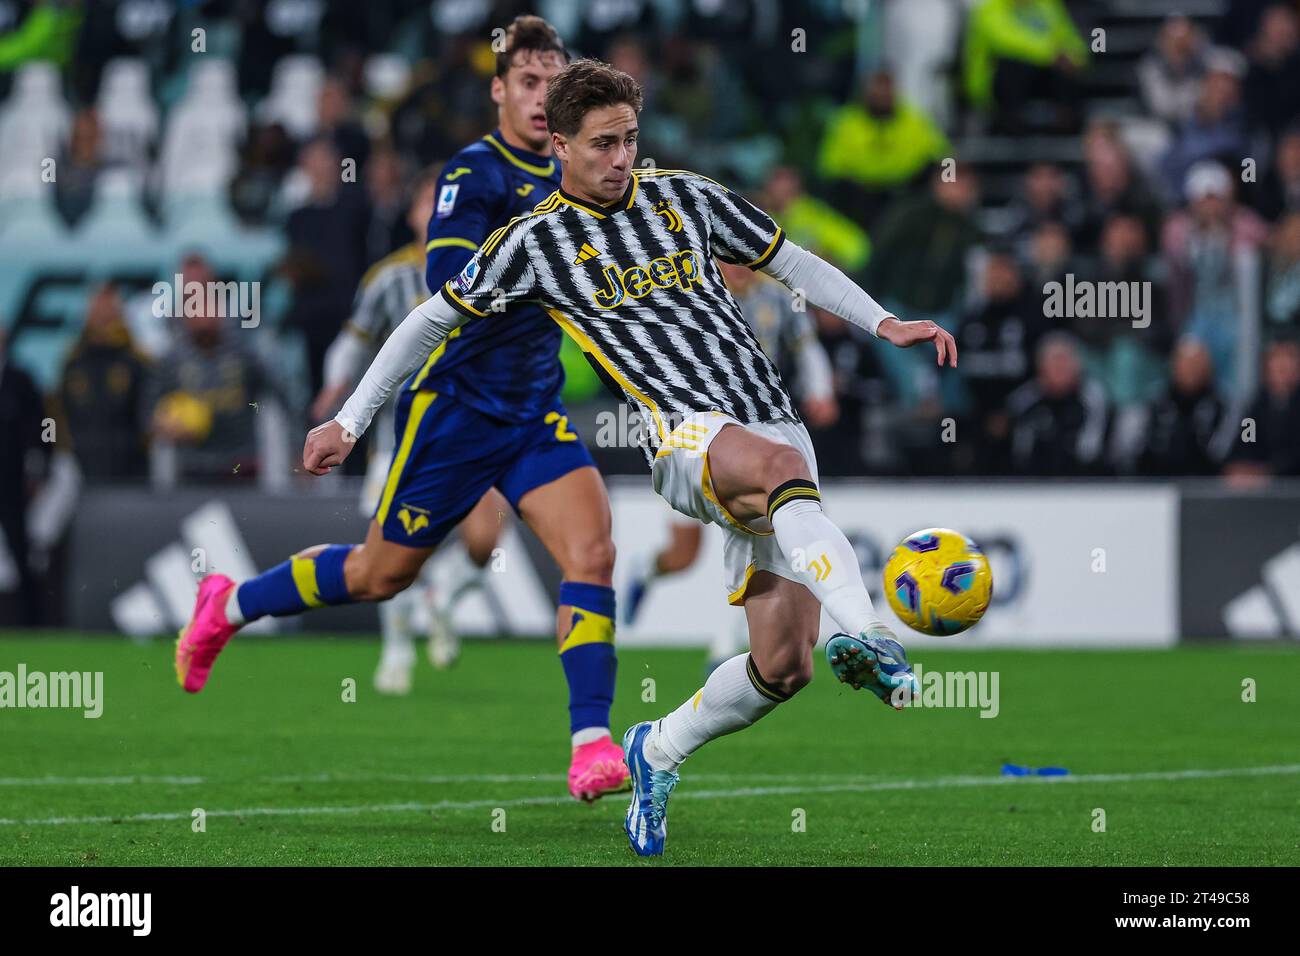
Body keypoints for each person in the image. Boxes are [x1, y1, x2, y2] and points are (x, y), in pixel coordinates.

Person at [299, 59, 957, 856]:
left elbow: (790, 261)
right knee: (782, 484)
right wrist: (349, 419)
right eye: (604, 143)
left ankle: (656, 750)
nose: (621, 158)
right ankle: (875, 632)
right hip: (680, 435)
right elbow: (428, 322)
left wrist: (885, 324)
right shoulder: (534, 242)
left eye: (630, 140)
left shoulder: (687, 196)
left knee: (783, 667)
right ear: (563, 144)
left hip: (772, 426)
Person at [176, 17, 631, 805]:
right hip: (454, 411)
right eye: (526, 82)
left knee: (591, 553)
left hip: (533, 415)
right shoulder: (476, 176)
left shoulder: (588, 174)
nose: (539, 98)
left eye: (553, 86)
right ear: (497, 90)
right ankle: (231, 602)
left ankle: (591, 741)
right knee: (379, 574)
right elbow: (447, 286)